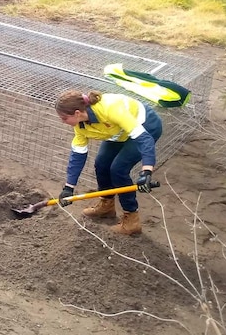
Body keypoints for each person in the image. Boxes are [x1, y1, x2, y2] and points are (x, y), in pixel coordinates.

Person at [55, 89, 163, 235]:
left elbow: (144, 139)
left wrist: (146, 172)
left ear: (77, 113)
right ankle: (106, 206)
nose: (62, 121)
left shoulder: (111, 109)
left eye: (64, 118)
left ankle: (132, 220)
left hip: (145, 126)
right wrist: (69, 188)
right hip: (118, 132)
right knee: (101, 164)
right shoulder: (80, 126)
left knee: (118, 169)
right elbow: (77, 156)